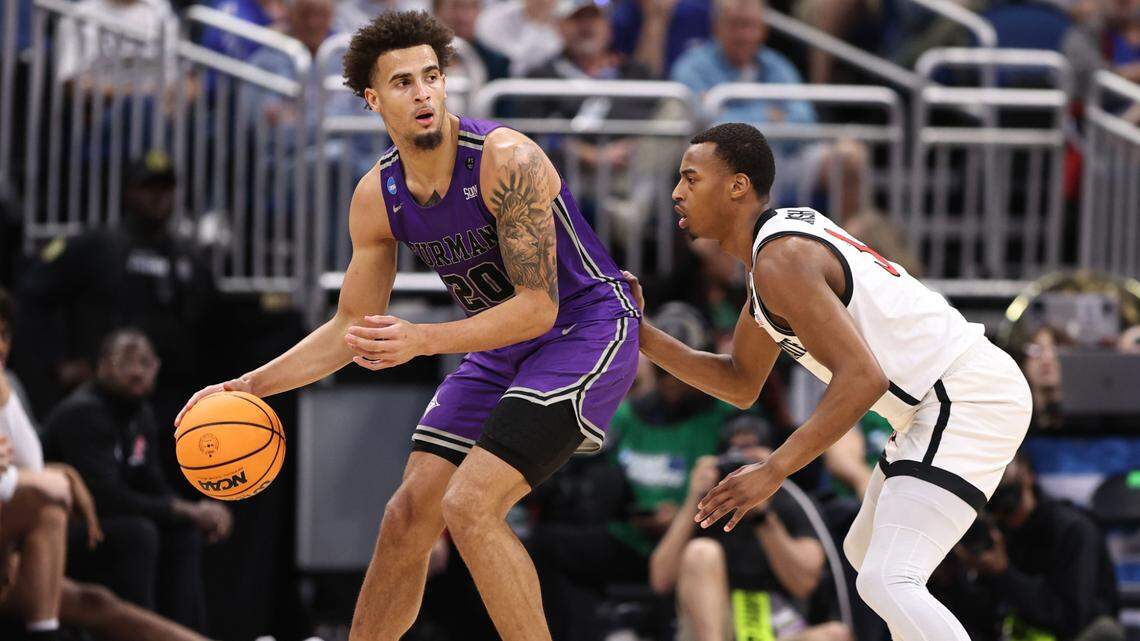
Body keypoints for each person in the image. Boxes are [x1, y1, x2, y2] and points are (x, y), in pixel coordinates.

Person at [176, 10, 640, 641]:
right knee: (406, 516)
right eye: (402, 82)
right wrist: (249, 387)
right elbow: (350, 328)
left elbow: (539, 307)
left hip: (585, 330)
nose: (423, 93)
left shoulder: (506, 158)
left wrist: (422, 340)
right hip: (501, 346)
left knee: (470, 506)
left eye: (431, 76)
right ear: (373, 99)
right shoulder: (377, 195)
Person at [623, 122, 1032, 641]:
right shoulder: (771, 258)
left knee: (888, 578)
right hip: (937, 401)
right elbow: (741, 382)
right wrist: (642, 335)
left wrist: (773, 470)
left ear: (737, 186)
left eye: (691, 178)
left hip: (964, 394)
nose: (677, 192)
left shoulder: (782, 260)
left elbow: (862, 378)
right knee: (865, 556)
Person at [43, 329, 232, 631]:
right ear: (103, 364)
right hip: (62, 527)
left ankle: (186, 634)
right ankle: (141, 635)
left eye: (145, 363)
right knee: (139, 534)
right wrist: (185, 510)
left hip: (108, 519)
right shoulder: (83, 413)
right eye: (126, 361)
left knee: (184, 532)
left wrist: (198, 511)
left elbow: (153, 485)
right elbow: (105, 498)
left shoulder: (140, 413)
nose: (137, 371)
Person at [649, 451, 850, 641]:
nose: (744, 470)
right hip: (717, 625)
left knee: (834, 635)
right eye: (736, 459)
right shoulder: (707, 499)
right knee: (701, 551)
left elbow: (804, 584)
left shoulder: (791, 500)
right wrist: (694, 499)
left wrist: (763, 515)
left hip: (776, 625)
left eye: (753, 459)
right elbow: (661, 580)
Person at [952, 451, 1123, 641]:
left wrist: (1003, 573)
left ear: (1027, 474)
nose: (998, 479)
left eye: (1003, 469)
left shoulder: (1072, 530)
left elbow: (1070, 618)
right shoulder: (990, 533)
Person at [433, 0, 510, 81]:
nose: (463, 16)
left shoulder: (497, 64)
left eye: (471, 7)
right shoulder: (424, 56)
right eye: (456, 6)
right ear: (437, 10)